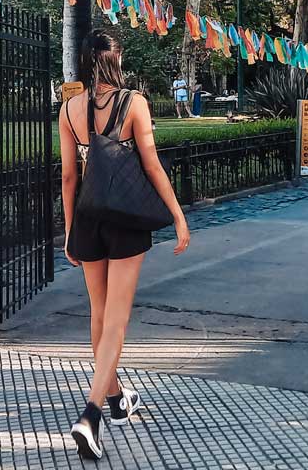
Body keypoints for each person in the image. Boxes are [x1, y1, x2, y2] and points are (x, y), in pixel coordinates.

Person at [58, 30, 191, 461]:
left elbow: (67, 178)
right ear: (117, 61)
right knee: (116, 319)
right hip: (126, 221)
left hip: (87, 218)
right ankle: (91, 415)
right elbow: (150, 163)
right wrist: (177, 214)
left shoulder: (69, 109)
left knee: (99, 314)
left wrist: (68, 230)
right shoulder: (134, 102)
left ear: (84, 61)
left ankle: (116, 397)